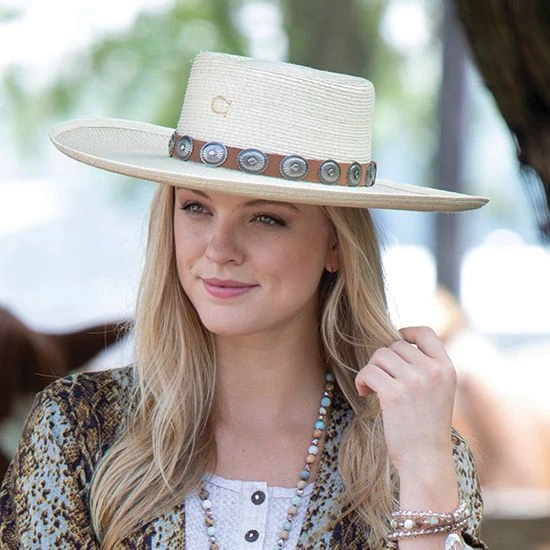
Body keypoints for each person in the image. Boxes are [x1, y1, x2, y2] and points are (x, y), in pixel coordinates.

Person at [0, 51, 489, 549]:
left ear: (336, 245)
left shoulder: (419, 451)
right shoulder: (78, 427)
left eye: (266, 218)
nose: (219, 249)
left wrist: (423, 471)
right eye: (196, 207)